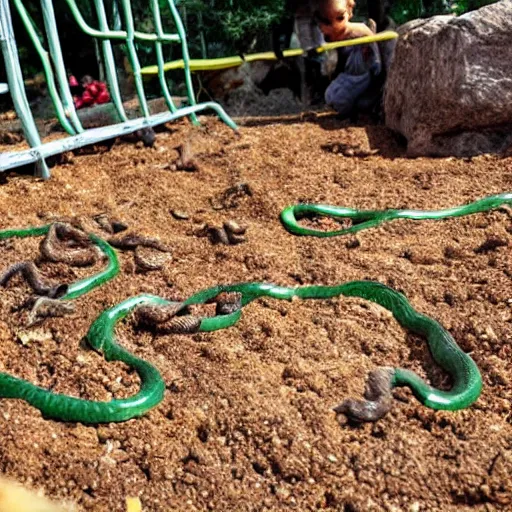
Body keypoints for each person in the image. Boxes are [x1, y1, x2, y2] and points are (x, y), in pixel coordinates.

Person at [311, 0, 387, 119]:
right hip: (348, 72)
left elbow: (373, 50)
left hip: (361, 75)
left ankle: (350, 114)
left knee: (340, 99)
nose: (321, 29)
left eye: (322, 26)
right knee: (329, 94)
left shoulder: (356, 31)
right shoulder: (336, 35)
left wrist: (375, 67)